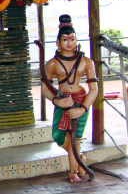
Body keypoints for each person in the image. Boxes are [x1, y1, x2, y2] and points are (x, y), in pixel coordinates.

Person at [41, 15, 98, 183]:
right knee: (59, 136)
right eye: (64, 39)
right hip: (62, 100)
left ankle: (73, 171)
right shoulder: (52, 64)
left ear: (76, 40)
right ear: (58, 42)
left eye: (72, 39)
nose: (68, 43)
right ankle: (80, 159)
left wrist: (83, 108)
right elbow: (45, 89)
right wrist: (57, 101)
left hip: (80, 101)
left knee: (76, 137)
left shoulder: (86, 62)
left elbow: (94, 89)